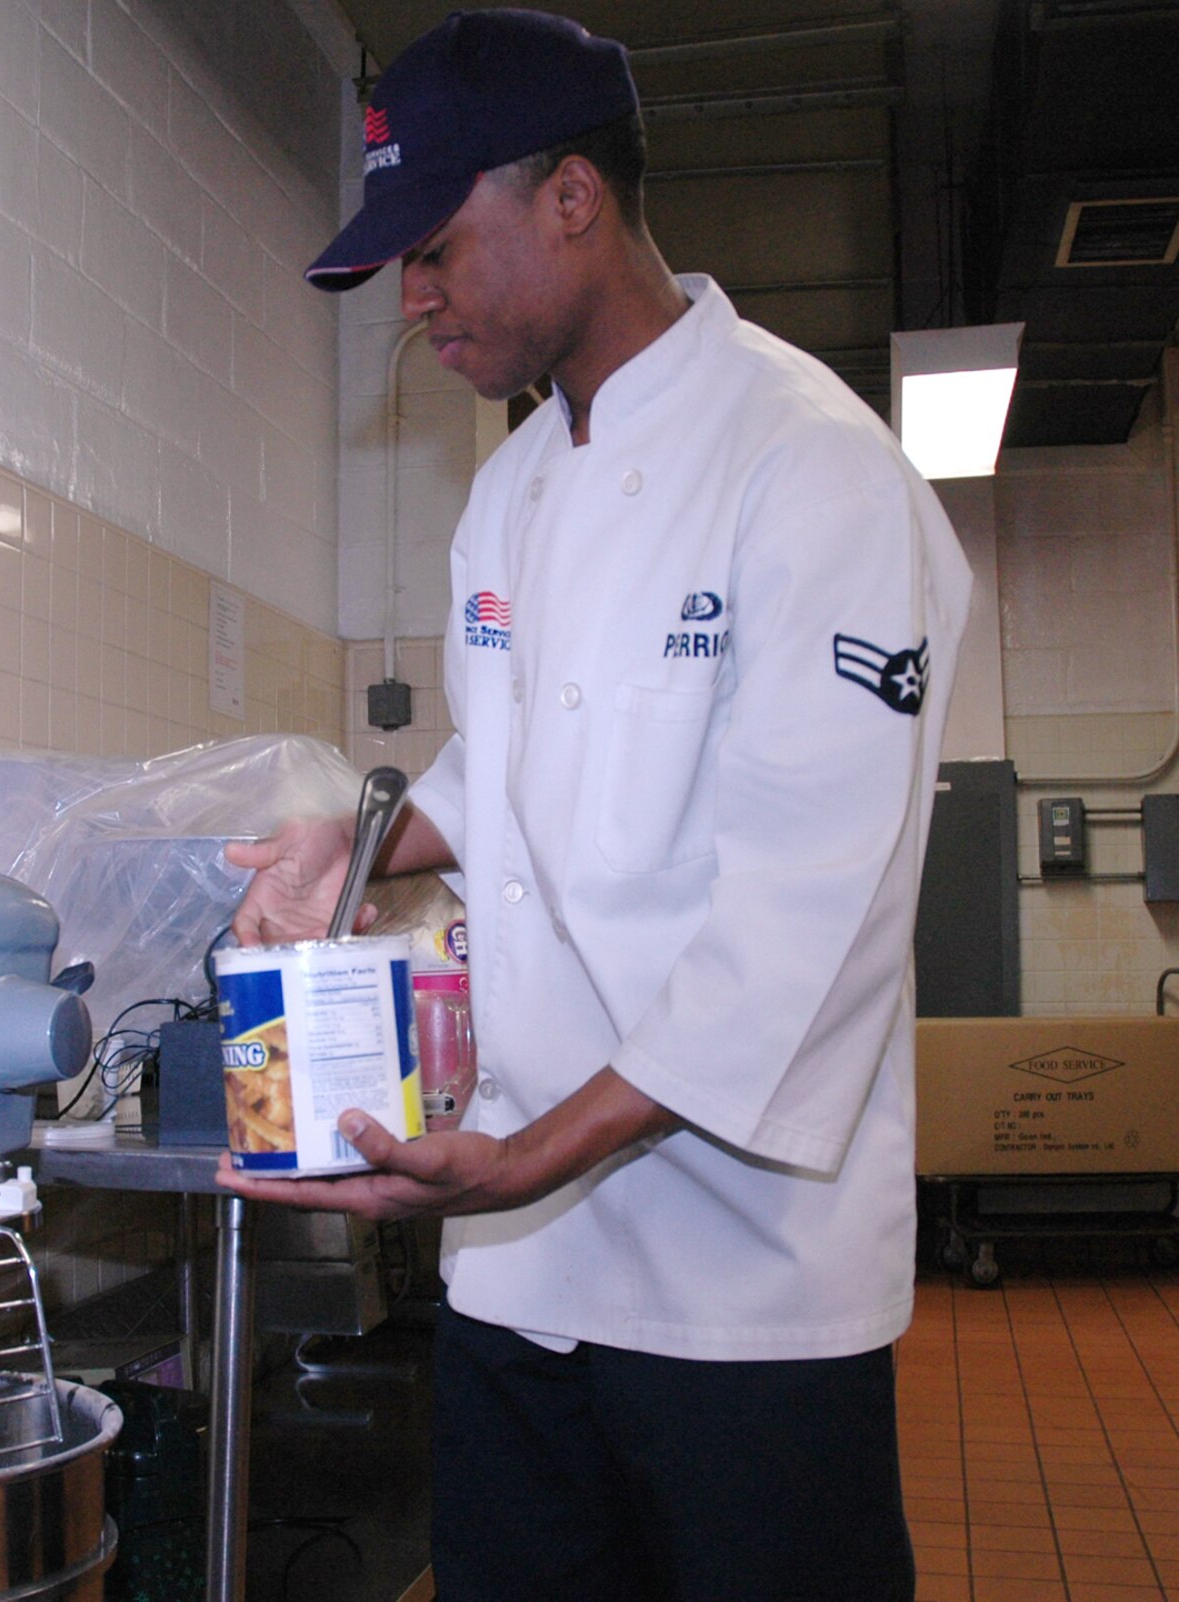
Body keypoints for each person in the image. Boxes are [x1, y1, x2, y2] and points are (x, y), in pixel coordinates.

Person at [217, 10, 973, 1601]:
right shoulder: (509, 494)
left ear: (573, 197)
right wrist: (348, 849)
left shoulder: (811, 468)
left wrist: (527, 1152)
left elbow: (805, 924)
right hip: (519, 1275)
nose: (413, 303)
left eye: (433, 248)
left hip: (742, 1294)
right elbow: (500, 773)